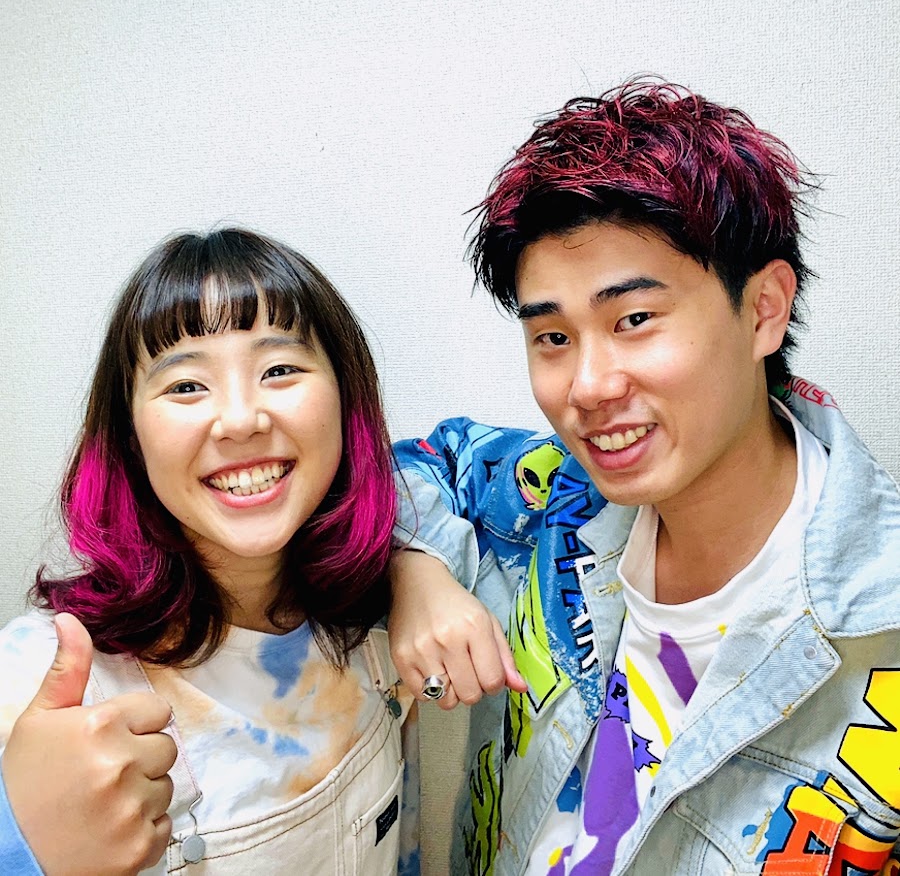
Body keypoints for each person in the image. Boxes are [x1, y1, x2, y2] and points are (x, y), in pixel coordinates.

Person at [388, 81, 900, 875]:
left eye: (633, 320)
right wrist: (413, 568)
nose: (588, 386)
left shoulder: (879, 621)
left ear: (764, 309)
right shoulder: (552, 496)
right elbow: (411, 467)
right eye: (553, 337)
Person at [0, 228, 419, 875]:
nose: (241, 420)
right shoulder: (41, 682)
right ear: (131, 436)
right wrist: (20, 841)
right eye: (187, 386)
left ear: (346, 400)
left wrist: (422, 570)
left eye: (279, 370)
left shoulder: (378, 621)